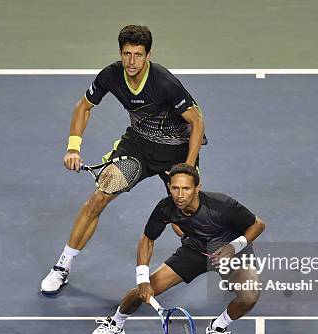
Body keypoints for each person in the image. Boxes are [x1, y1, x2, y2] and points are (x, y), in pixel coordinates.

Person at [40, 25, 206, 294]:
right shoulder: (111, 75)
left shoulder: (164, 83)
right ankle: (63, 266)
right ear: (120, 53)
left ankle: (221, 256)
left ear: (148, 55)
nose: (131, 62)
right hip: (137, 147)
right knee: (99, 197)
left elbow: (197, 123)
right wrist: (73, 147)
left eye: (138, 55)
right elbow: (84, 106)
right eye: (127, 54)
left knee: (182, 222)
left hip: (175, 153)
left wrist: (186, 167)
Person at [88, 164, 265, 334]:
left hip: (231, 252)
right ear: (169, 187)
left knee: (249, 295)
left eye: (186, 188)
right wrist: (143, 280)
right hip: (195, 252)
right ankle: (116, 323)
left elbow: (258, 224)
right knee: (143, 290)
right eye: (175, 188)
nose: (180, 195)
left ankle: (218, 327)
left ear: (198, 187)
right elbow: (147, 239)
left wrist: (234, 246)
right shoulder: (166, 208)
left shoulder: (221, 205)